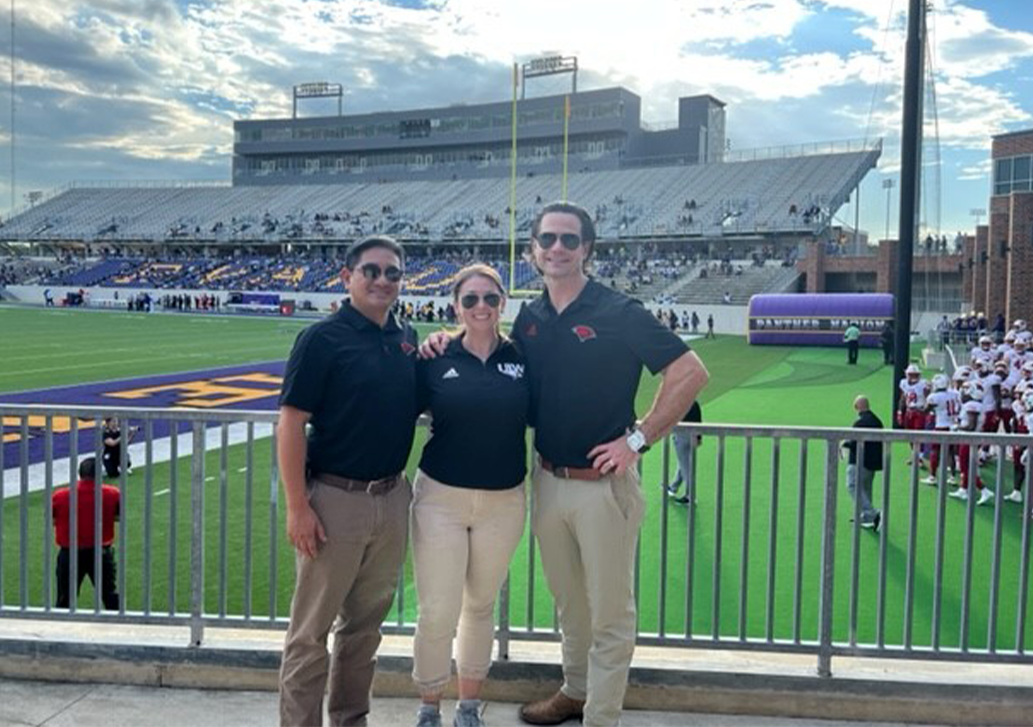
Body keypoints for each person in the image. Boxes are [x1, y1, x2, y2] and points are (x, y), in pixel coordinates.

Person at [425, 201, 709, 727]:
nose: (557, 248)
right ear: (533, 250)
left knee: (610, 612)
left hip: (605, 484)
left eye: (569, 240)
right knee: (569, 605)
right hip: (549, 478)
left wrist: (639, 439)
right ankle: (575, 691)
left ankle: (601, 716)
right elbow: (494, 357)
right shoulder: (531, 317)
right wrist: (443, 342)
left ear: (587, 249)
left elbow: (691, 372)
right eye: (547, 239)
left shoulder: (617, 310)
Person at [277, 235, 419, 727]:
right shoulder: (322, 338)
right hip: (335, 498)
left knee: (364, 630)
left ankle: (350, 719)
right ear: (347, 277)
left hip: (392, 495)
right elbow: (291, 421)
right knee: (310, 633)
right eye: (372, 271)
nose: (383, 280)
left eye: (393, 273)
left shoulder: (407, 336)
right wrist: (298, 506)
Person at [411, 265, 530, 727]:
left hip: (504, 499)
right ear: (455, 306)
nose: (481, 308)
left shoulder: (523, 356)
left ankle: (467, 707)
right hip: (441, 496)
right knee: (437, 608)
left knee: (480, 604)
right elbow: (399, 406)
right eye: (470, 300)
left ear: (503, 303)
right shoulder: (435, 356)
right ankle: (428, 707)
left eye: (490, 299)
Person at [51, 457, 121, 610]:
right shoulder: (112, 493)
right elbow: (118, 516)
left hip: (70, 553)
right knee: (110, 594)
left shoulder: (60, 495)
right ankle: (119, 627)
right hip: (100, 552)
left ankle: (59, 629)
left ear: (79, 473)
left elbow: (53, 520)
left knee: (65, 598)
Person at [841, 396, 883, 531]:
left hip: (859, 460)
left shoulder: (859, 423)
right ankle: (866, 516)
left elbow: (853, 443)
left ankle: (871, 513)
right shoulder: (877, 421)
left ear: (856, 407)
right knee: (866, 488)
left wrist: (844, 443)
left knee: (852, 485)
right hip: (873, 462)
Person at [665, 401, 702, 505]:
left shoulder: (678, 403)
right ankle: (673, 487)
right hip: (692, 435)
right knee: (683, 463)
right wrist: (698, 437)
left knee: (686, 467)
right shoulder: (694, 402)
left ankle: (690, 496)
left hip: (681, 436)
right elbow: (698, 420)